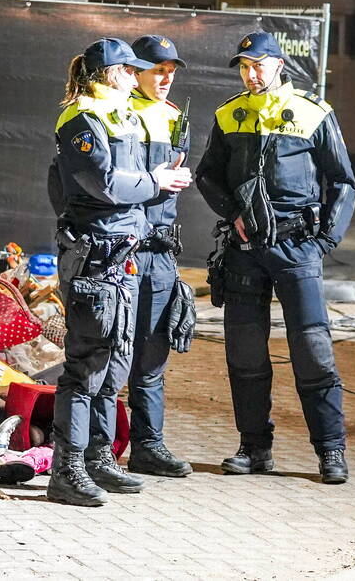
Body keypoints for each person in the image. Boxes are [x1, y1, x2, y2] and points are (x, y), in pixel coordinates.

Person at [194, 31, 355, 484]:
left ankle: (330, 451)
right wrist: (233, 214)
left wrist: (324, 242)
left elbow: (343, 182)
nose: (250, 74)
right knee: (245, 355)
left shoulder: (313, 113)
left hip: (297, 247)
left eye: (258, 65)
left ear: (279, 65)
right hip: (245, 252)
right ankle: (254, 448)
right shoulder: (230, 114)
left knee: (313, 351)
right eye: (244, 66)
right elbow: (207, 176)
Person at [47, 37, 192, 506]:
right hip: (96, 255)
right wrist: (156, 181)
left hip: (122, 251)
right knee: (85, 366)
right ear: (111, 74)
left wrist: (155, 185)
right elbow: (102, 183)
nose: (137, 77)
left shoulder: (118, 115)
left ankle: (97, 457)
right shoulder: (81, 119)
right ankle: (65, 470)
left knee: (116, 361)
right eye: (130, 70)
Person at [124, 35, 195, 478]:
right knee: (111, 356)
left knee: (151, 356)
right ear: (136, 70)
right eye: (158, 68)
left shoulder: (174, 118)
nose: (166, 77)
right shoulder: (118, 113)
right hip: (123, 251)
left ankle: (148, 446)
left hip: (161, 253)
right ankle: (96, 450)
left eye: (172, 70)